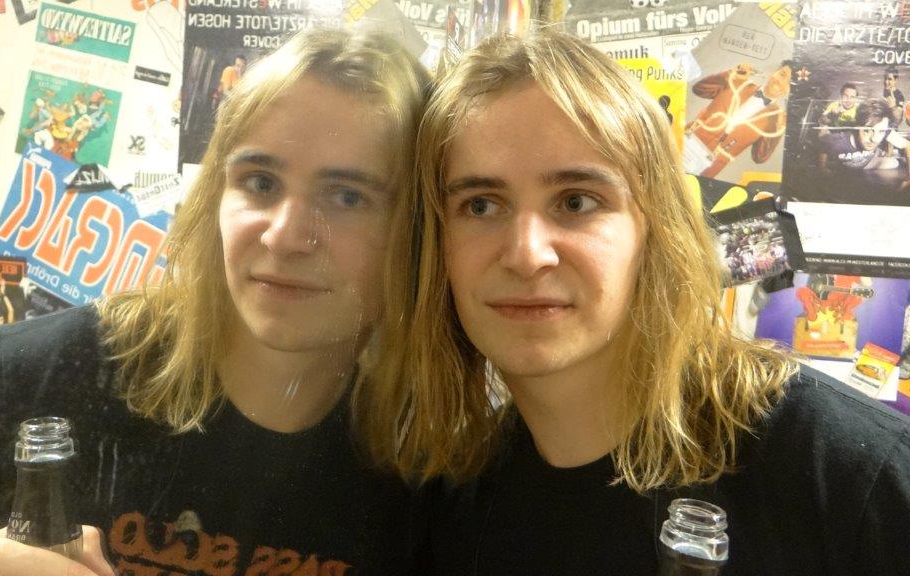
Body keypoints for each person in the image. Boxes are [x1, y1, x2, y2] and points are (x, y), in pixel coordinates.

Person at [357, 29, 910, 574]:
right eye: (480, 205)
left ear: (654, 230)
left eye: (576, 201)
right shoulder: (455, 505)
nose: (526, 255)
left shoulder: (850, 482)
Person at [0, 28, 431, 576]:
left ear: (418, 232)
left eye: (348, 197)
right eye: (261, 182)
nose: (285, 237)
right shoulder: (51, 374)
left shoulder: (429, 469)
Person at [684, 60, 792, 179]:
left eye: (790, 83)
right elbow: (699, 89)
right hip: (686, 142)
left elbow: (759, 157)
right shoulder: (738, 81)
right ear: (774, 72)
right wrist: (730, 74)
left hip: (706, 167)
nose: (782, 82)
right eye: (782, 75)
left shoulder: (776, 118)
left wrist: (778, 131)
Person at [818, 98, 910, 189]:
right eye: (867, 130)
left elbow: (907, 145)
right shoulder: (836, 141)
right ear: (857, 126)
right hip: (846, 172)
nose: (874, 139)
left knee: (893, 163)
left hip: (869, 164)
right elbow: (822, 147)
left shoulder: (883, 130)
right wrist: (822, 167)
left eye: (881, 131)